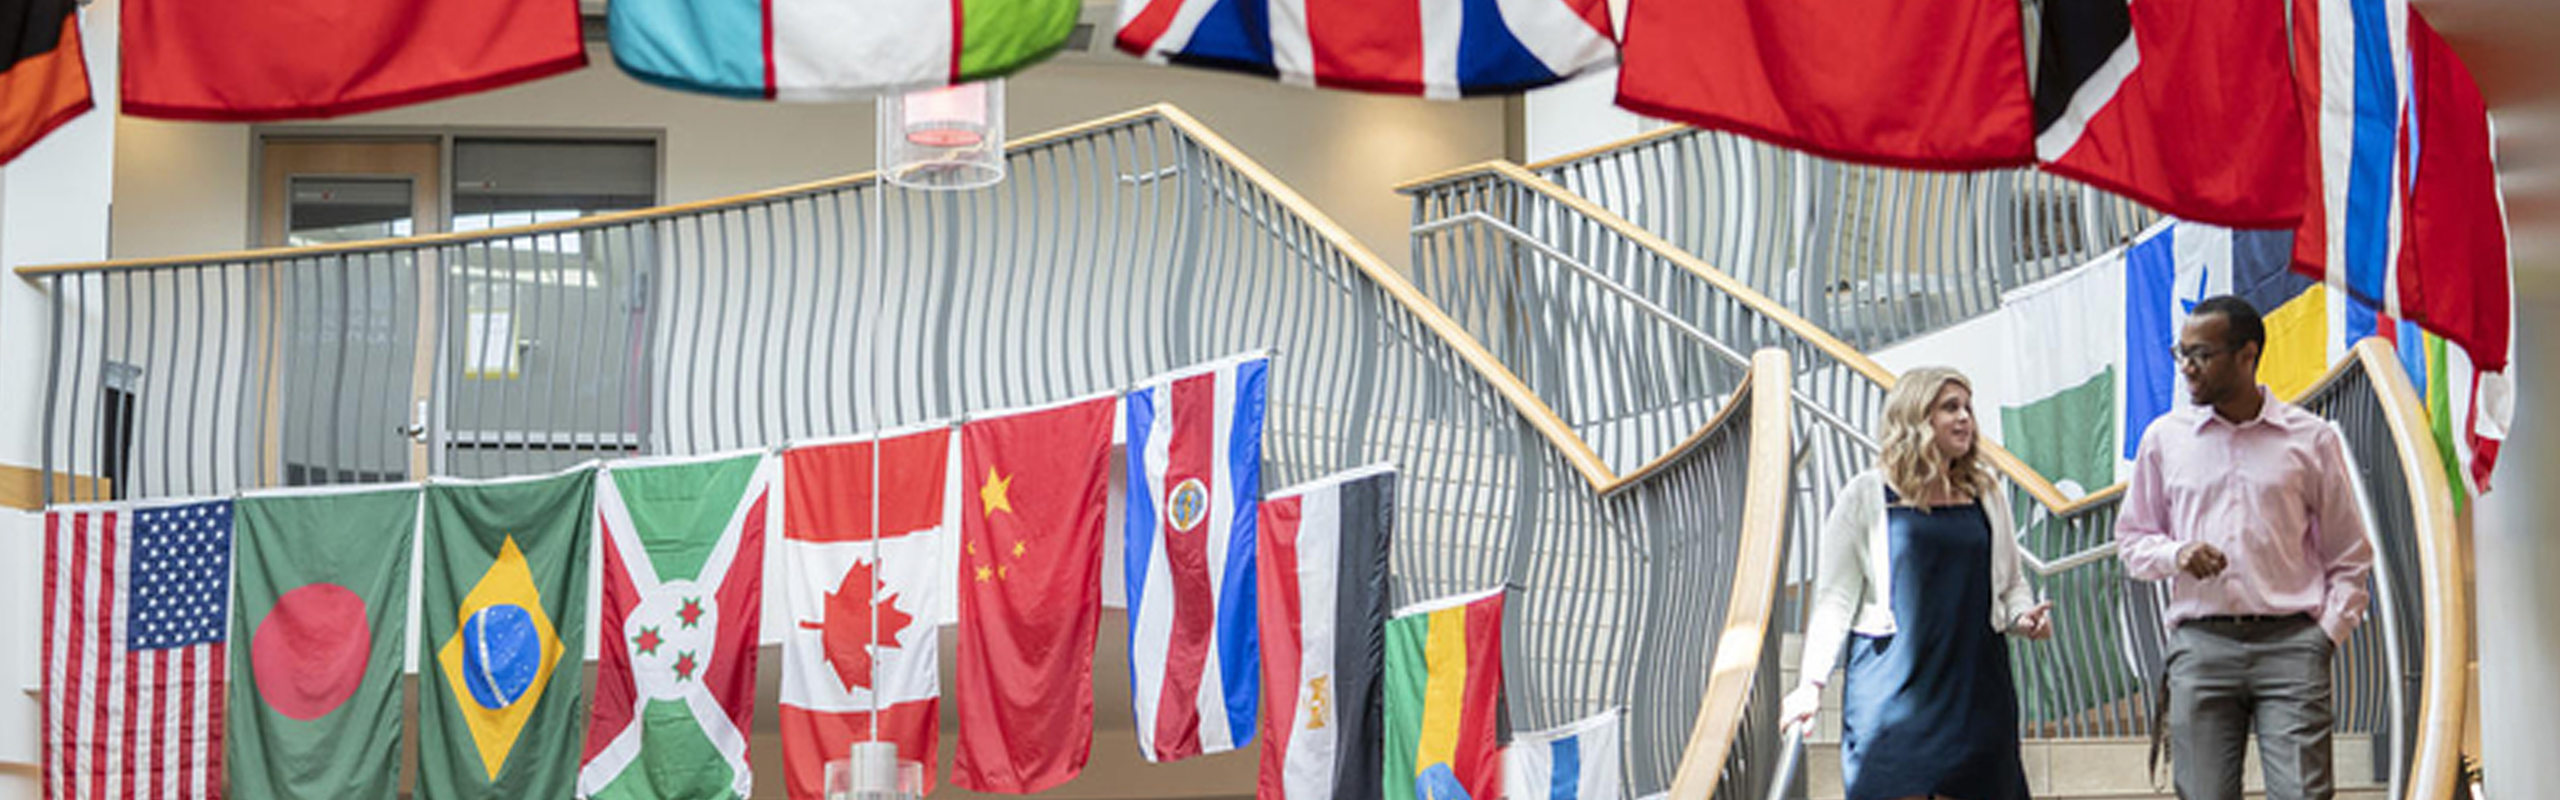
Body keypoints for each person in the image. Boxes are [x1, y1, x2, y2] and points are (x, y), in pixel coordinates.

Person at [2116, 295, 2374, 800]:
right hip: (2200, 645)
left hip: (2292, 644)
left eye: (2201, 354)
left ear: (2247, 355)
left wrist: (2325, 636)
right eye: (2181, 353)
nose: (2187, 367)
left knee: (2303, 794)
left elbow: (2349, 554)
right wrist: (2177, 554)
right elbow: (2132, 538)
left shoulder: (2311, 438)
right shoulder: (2164, 439)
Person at [1780, 366, 2053, 800]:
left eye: (1968, 408)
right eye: (1950, 407)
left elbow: (2011, 584)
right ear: (1916, 417)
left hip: (1976, 688)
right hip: (1891, 692)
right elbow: (1834, 601)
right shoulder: (1865, 495)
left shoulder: (1986, 492)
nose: (1964, 418)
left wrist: (2023, 617)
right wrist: (1811, 684)